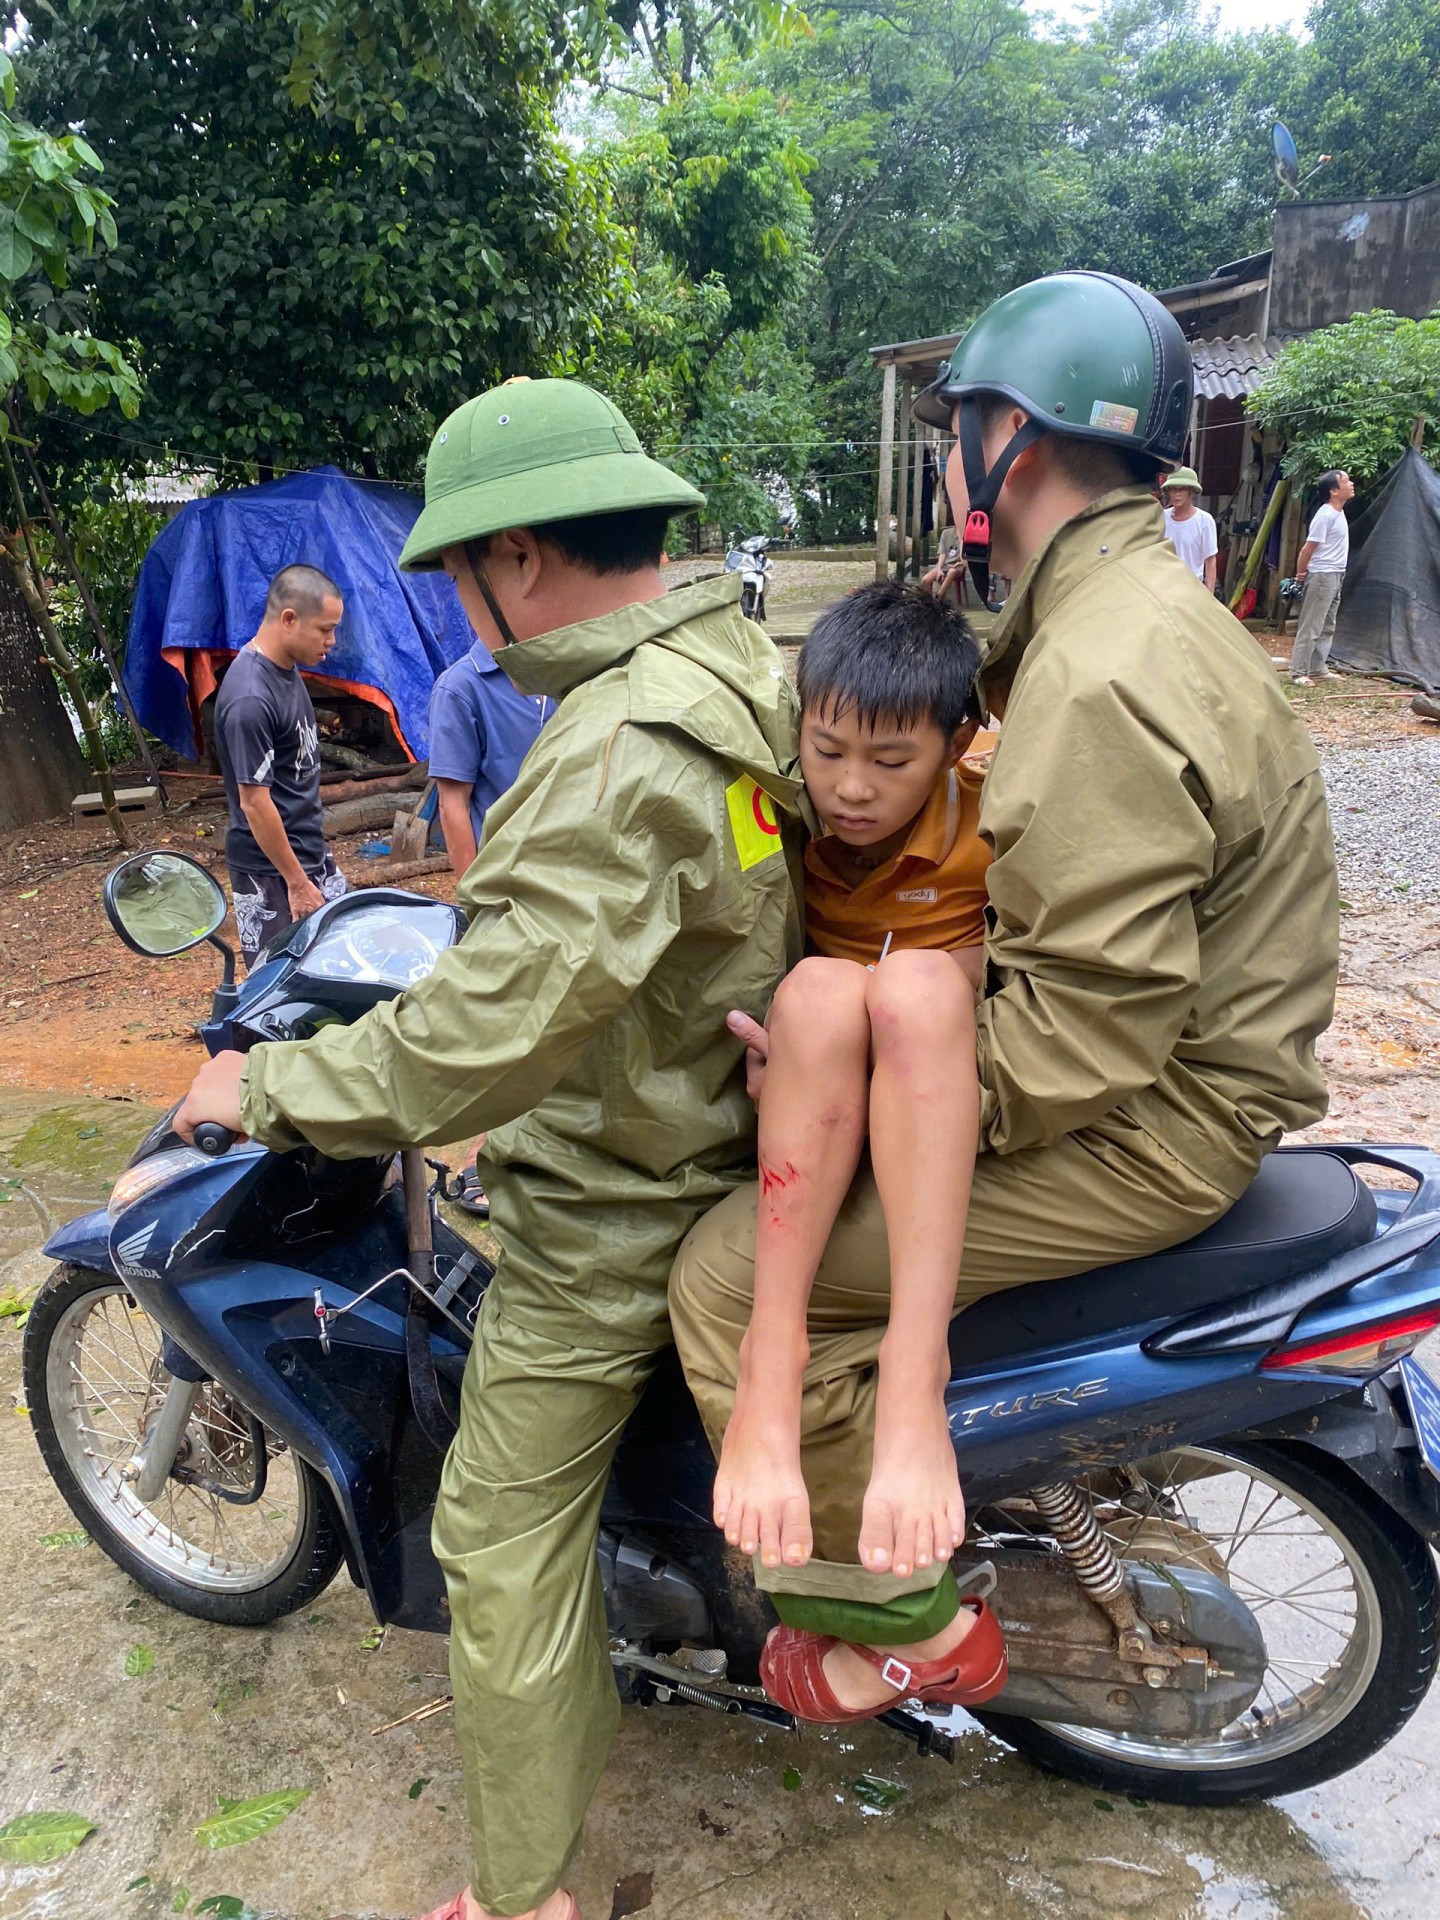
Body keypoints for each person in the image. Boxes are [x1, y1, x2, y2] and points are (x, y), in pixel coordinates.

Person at [670, 269, 1340, 1728]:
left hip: (1155, 1123)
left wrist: (829, 1086)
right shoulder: (1142, 615)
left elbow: (1080, 1035)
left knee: (728, 1274)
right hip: (1191, 1079)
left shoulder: (1098, 674)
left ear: (1008, 447)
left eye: (960, 424)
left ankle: (885, 1620)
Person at [174, 376, 804, 1920]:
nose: (463, 610)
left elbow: (466, 1048)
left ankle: (522, 1895)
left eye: (459, 575)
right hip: (724, 1118)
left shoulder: (608, 751)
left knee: (497, 1530)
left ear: (517, 557)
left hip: (622, 1202)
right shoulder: (731, 665)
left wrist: (253, 1094)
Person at [714, 582, 995, 1626]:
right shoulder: (775, 815)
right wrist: (761, 1043)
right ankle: (771, 1361)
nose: (852, 789)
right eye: (827, 750)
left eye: (891, 762)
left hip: (928, 1082)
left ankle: (914, 1381)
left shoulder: (993, 823)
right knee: (818, 992)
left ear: (957, 741)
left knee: (917, 984)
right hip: (815, 1100)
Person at [213, 564, 348, 968]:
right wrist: (295, 882)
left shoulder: (285, 672)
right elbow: (254, 803)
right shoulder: (250, 698)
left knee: (341, 962)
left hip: (308, 854)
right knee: (282, 986)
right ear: (289, 619)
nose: (332, 640)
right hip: (272, 873)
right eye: (325, 629)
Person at [428, 630, 555, 876]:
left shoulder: (565, 675)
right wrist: (474, 899)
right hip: (505, 877)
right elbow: (453, 803)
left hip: (570, 868)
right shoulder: (460, 688)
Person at [1291, 469, 1355, 686]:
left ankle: (1317, 668)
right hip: (1322, 575)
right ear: (1334, 491)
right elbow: (1307, 549)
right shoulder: (1325, 515)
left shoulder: (1339, 512)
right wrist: (1300, 576)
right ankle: (1299, 671)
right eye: (1346, 481)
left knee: (1327, 625)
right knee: (1311, 625)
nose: (1351, 484)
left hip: (1336, 574)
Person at [1161, 465, 1218, 590]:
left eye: (1181, 489)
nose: (1176, 494)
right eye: (1173, 489)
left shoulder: (1204, 521)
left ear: (1191, 492)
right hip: (1164, 586)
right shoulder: (1162, 518)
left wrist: (1209, 594)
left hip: (1192, 588)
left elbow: (1210, 560)